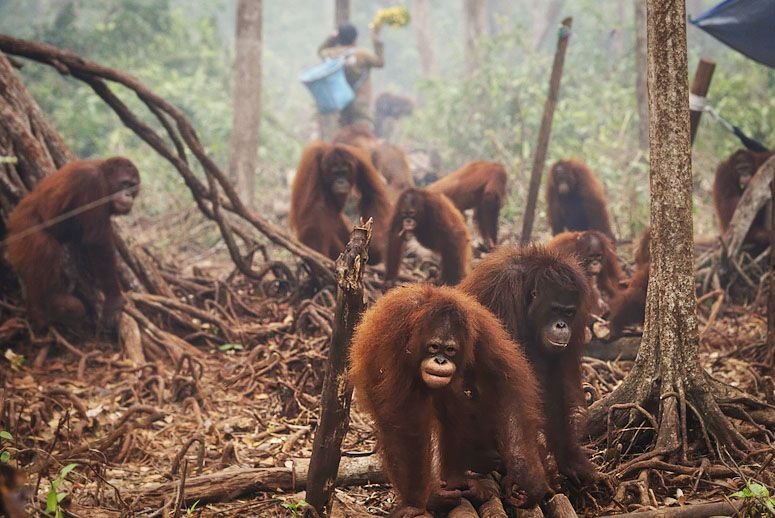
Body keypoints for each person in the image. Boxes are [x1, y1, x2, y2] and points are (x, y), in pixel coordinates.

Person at [317, 23, 384, 138]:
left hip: (341, 103)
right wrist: (376, 41)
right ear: (355, 38)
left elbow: (320, 51)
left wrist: (331, 38)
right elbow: (380, 62)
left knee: (342, 134)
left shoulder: (331, 54)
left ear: (338, 38)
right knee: (364, 134)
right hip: (361, 104)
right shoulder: (362, 54)